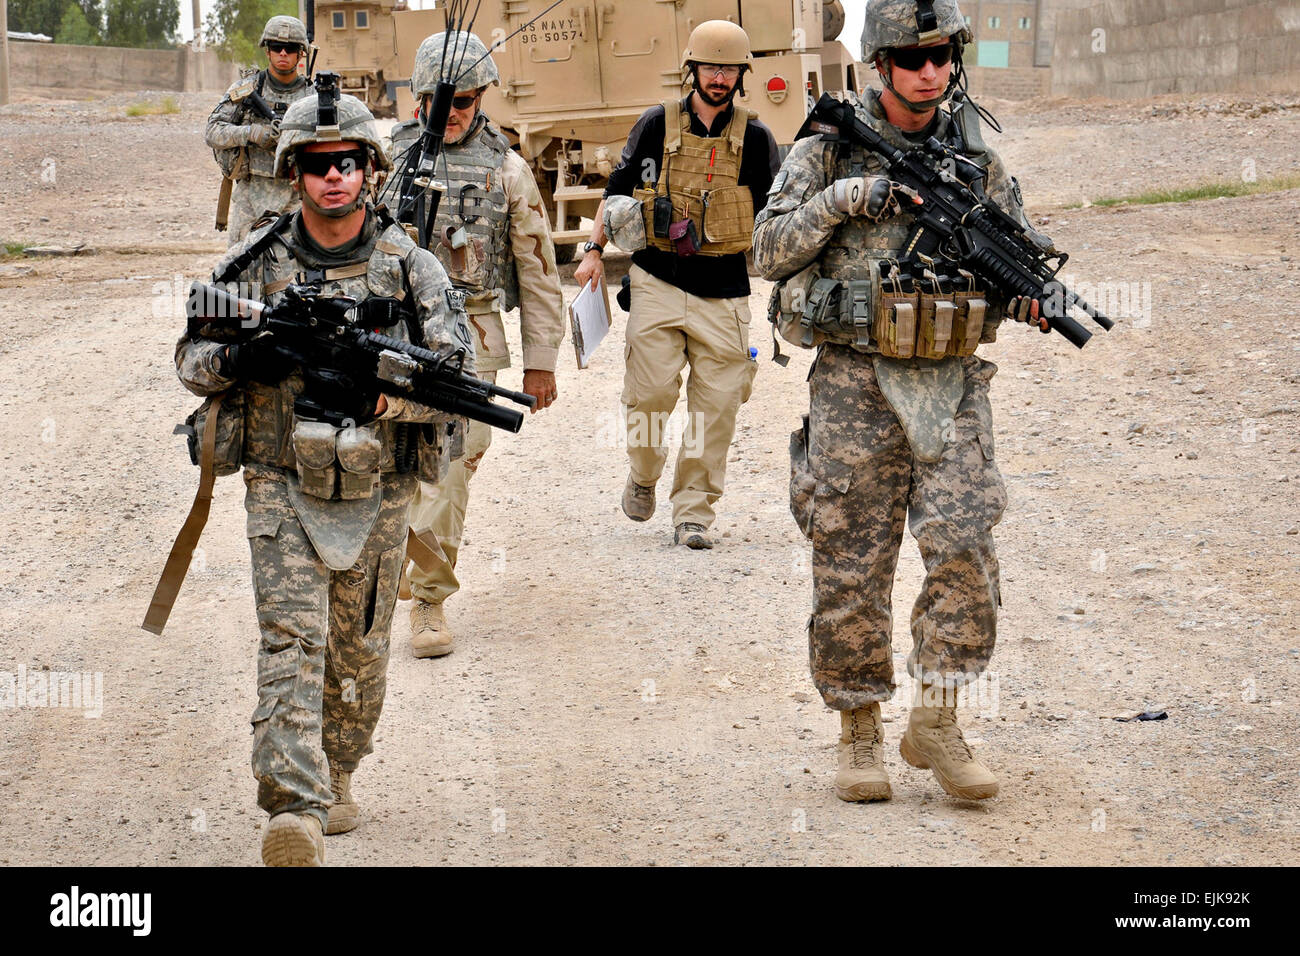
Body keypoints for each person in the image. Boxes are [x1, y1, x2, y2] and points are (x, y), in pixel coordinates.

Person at [753, 0, 1051, 803]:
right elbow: (767, 249)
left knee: (965, 548)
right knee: (850, 560)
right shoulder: (826, 151)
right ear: (880, 66)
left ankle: (939, 720)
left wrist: (1023, 298)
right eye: (912, 58)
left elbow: (1014, 251)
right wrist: (844, 199)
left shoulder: (974, 164)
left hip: (948, 386)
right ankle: (857, 734)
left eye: (942, 55)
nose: (931, 71)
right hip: (853, 385)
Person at [176, 89, 474, 865]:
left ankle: (340, 772)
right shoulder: (253, 263)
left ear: (370, 171)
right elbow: (190, 360)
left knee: (360, 651)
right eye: (317, 164)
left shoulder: (411, 268)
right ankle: (293, 806)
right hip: (279, 478)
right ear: (295, 173)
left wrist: (386, 398)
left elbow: (460, 382)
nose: (334, 176)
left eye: (348, 162)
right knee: (291, 641)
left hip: (377, 486)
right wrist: (245, 357)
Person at [387, 31, 564, 659]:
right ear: (419, 99)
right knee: (387, 458)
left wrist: (541, 362)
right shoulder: (383, 158)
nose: (453, 112)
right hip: (392, 328)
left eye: (465, 100)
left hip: (472, 330)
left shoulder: (508, 170)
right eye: (442, 100)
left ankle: (428, 594)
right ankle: (394, 572)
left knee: (454, 461)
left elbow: (539, 270)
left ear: (481, 98)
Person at [576, 20, 779, 550]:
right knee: (648, 397)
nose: (719, 77)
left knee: (715, 412)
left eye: (729, 68)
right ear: (692, 70)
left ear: (740, 75)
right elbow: (616, 191)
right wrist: (595, 252)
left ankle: (693, 512)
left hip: (726, 292)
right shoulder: (656, 125)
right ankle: (643, 475)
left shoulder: (755, 138)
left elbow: (779, 214)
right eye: (711, 67)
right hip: (657, 279)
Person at [206, 15, 314, 245]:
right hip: (250, 197)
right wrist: (252, 133)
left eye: (290, 48)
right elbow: (213, 131)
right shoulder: (246, 90)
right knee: (241, 274)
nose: (283, 53)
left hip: (298, 198)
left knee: (295, 275)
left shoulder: (313, 97)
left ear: (301, 53)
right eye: (276, 47)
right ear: (267, 51)